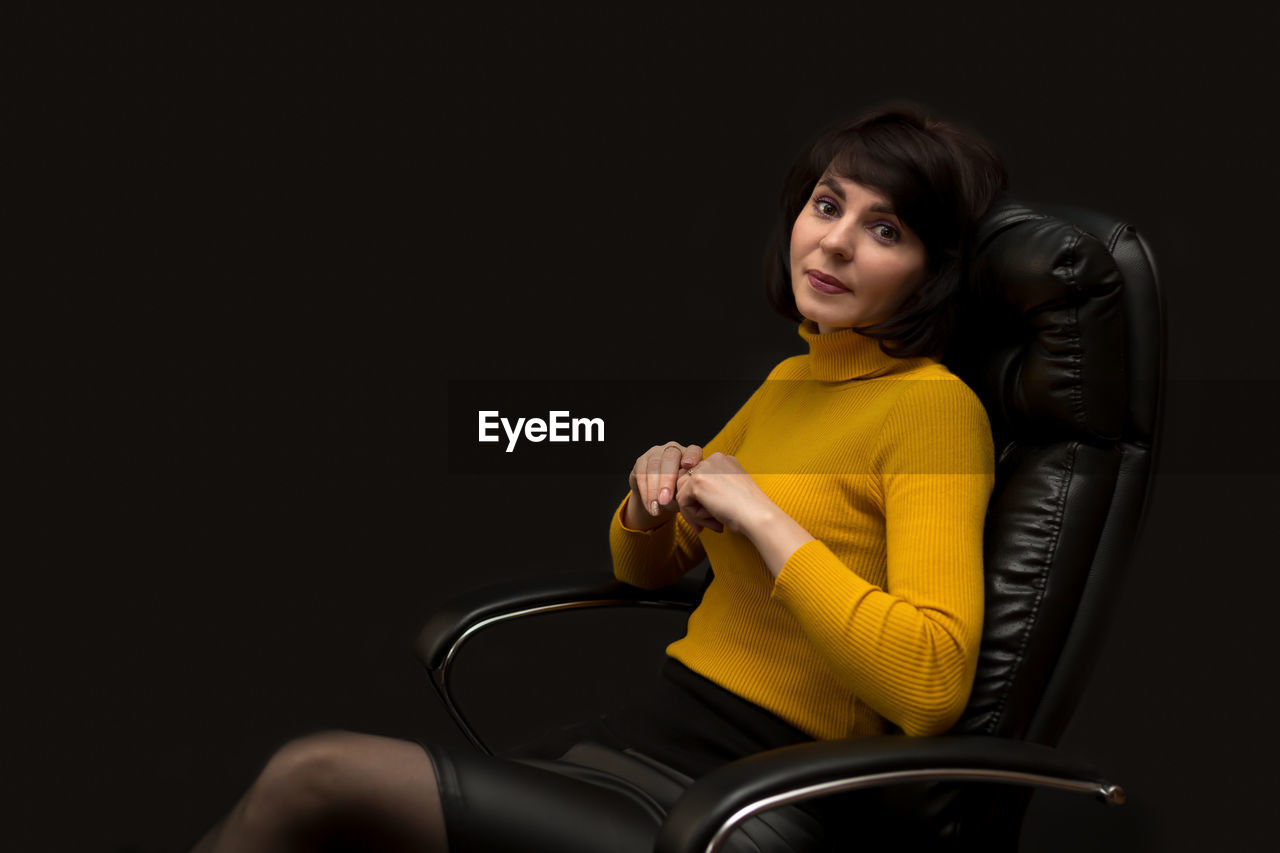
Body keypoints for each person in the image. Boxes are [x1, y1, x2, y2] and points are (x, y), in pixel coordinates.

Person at [190, 104, 1007, 853]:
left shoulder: (934, 409)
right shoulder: (796, 381)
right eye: (827, 205)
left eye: (885, 229)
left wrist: (762, 518)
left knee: (318, 775)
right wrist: (650, 502)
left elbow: (931, 681)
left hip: (745, 800)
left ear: (931, 271)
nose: (834, 242)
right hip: (640, 742)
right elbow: (643, 568)